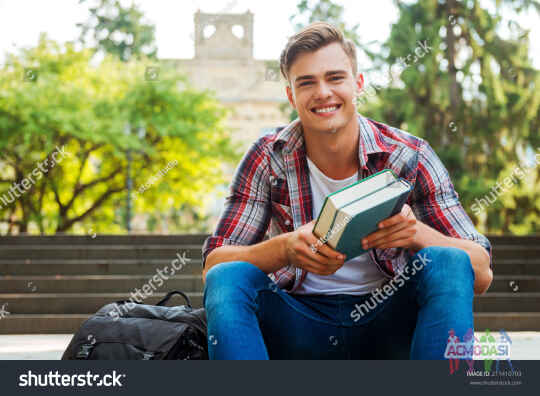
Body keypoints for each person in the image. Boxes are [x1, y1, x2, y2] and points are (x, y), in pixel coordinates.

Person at [201, 22, 493, 360]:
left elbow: (480, 271)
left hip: (389, 323)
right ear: (291, 95)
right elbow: (213, 268)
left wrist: (415, 234)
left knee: (448, 259)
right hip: (297, 323)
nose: (323, 92)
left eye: (335, 78)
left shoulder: (409, 155)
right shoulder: (268, 156)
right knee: (229, 276)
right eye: (306, 82)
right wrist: (283, 249)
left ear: (358, 84)